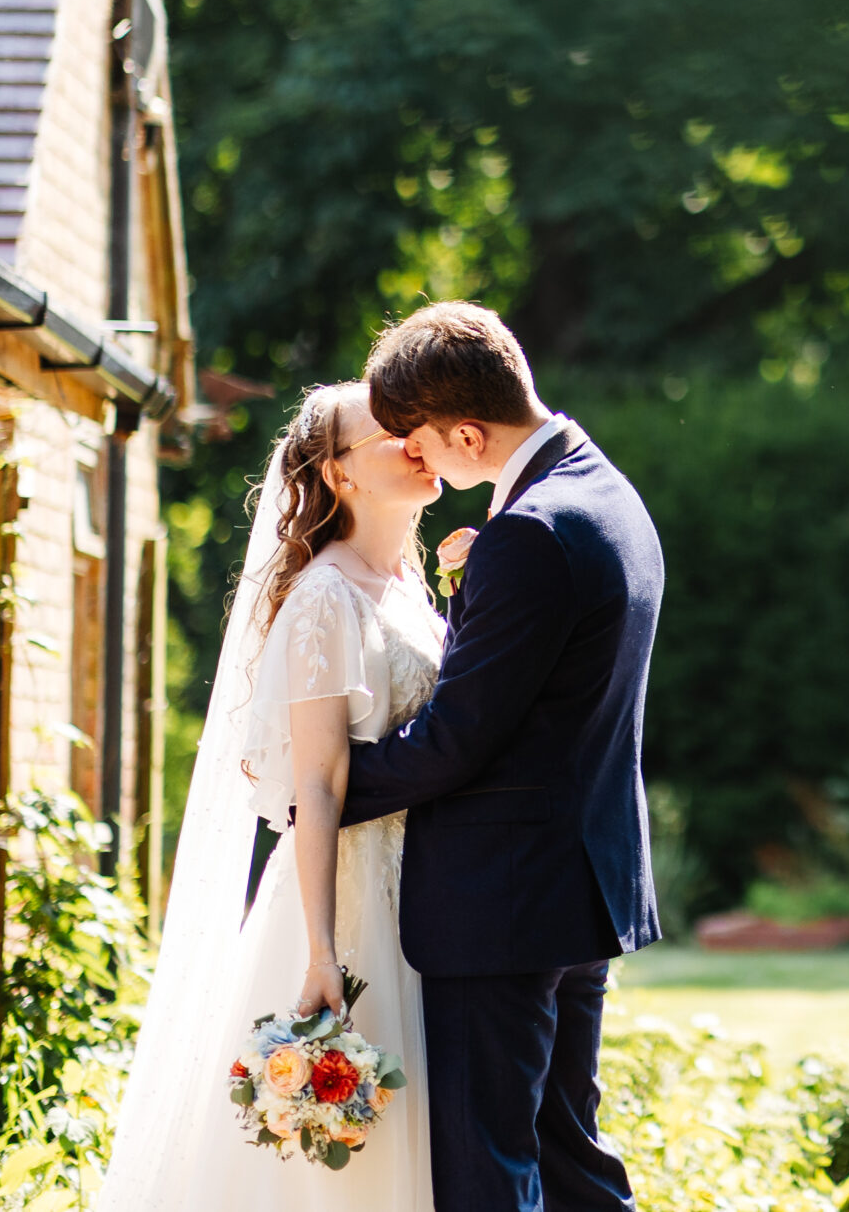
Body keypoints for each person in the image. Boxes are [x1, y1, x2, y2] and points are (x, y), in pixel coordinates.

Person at [341, 301, 665, 1212]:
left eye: (427, 446)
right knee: (570, 1156)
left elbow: (457, 739)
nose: (422, 465)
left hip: (505, 897)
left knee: (487, 1171)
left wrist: (321, 790)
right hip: (577, 886)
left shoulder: (530, 532)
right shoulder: (606, 493)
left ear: (468, 432)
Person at [102, 382, 447, 1209]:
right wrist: (325, 951)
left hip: (430, 884)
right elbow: (318, 784)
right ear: (338, 474)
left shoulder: (404, 582)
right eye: (391, 433)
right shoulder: (325, 597)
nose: (416, 440)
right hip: (355, 894)